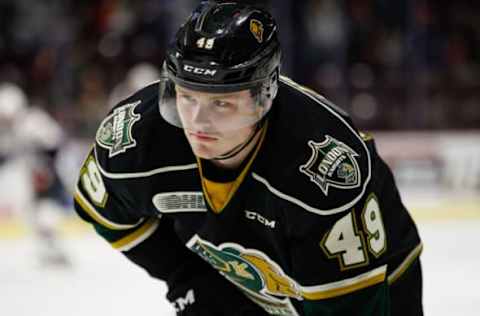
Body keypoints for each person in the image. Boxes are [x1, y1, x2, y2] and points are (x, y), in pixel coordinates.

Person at [73, 1, 423, 315]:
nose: (197, 122)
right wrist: (188, 278)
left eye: (221, 103)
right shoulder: (137, 137)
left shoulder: (322, 170)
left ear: (264, 96)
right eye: (187, 96)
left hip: (367, 285)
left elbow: (348, 306)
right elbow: (103, 209)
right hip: (244, 281)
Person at [0, 81, 70, 266]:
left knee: (45, 213)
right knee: (32, 215)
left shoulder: (33, 120)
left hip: (45, 173)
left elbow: (54, 143)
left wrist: (45, 168)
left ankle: (54, 248)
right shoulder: (9, 130)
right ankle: (49, 249)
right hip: (29, 175)